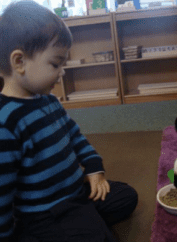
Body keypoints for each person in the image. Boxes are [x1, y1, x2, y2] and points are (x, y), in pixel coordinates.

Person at [0, 1, 138, 242]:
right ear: (19, 62)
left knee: (126, 196)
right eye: (55, 63)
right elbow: (2, 192)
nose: (62, 72)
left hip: (76, 193)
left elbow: (74, 136)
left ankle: (81, 223)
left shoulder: (49, 100)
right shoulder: (7, 121)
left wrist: (94, 167)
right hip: (47, 213)